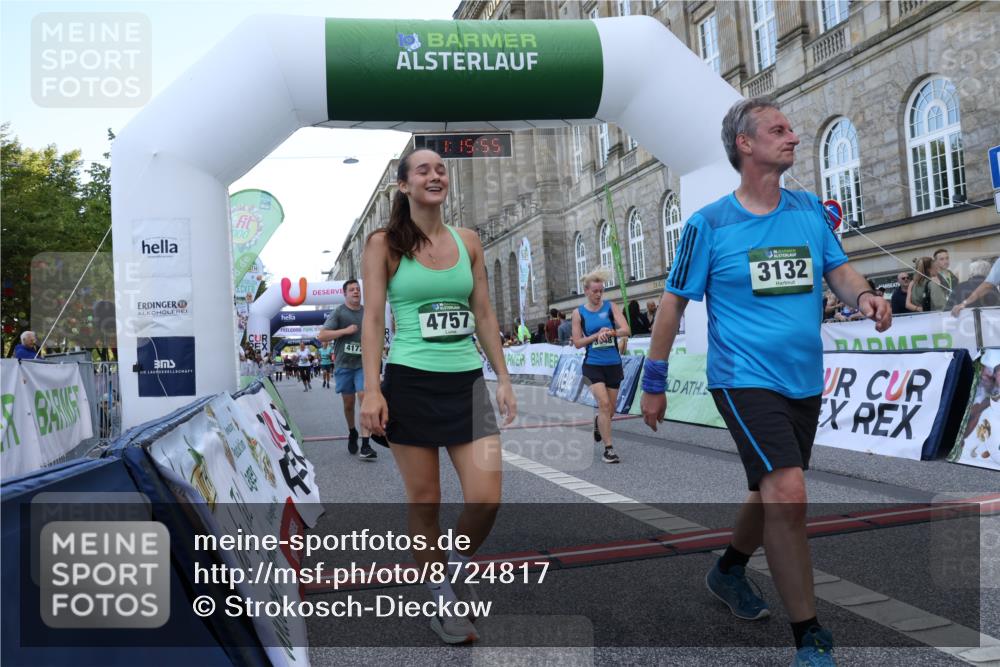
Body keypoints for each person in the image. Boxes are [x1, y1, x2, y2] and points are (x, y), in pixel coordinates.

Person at [640, 97, 892, 667]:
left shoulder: (808, 211)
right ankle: (811, 637)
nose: (794, 137)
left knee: (767, 488)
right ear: (745, 145)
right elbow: (671, 306)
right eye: (779, 130)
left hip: (802, 379)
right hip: (742, 379)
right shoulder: (708, 225)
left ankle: (729, 570)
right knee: (789, 493)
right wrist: (653, 381)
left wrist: (867, 295)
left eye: (792, 128)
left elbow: (840, 270)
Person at [360, 148, 516, 645]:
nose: (435, 175)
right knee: (425, 500)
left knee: (487, 498)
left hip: (466, 383)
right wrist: (371, 389)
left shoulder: (468, 241)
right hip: (409, 382)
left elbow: (485, 314)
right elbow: (372, 320)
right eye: (423, 170)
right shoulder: (384, 243)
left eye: (441, 169)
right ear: (404, 185)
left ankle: (446, 562)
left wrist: (504, 377)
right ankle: (441, 597)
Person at [572, 267, 631, 464]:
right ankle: (609, 449)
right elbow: (578, 342)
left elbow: (626, 330)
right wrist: (596, 336)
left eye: (601, 291)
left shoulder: (610, 307)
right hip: (593, 365)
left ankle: (598, 422)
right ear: (586, 291)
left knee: (610, 410)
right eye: (595, 291)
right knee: (604, 404)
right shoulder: (578, 313)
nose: (598, 295)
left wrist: (612, 332)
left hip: (613, 364)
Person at [319, 280, 376, 461]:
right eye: (352, 290)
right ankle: (352, 431)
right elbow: (322, 335)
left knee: (363, 397)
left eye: (358, 289)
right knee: (349, 404)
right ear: (345, 294)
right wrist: (345, 330)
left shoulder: (367, 311)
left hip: (362, 364)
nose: (356, 292)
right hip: (344, 365)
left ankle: (366, 444)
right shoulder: (339, 312)